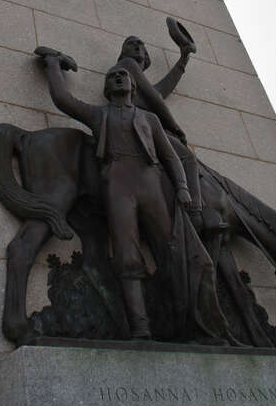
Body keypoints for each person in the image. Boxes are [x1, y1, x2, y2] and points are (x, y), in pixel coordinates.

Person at [39, 51, 190, 339]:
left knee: (171, 249)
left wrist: (182, 187)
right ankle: (141, 326)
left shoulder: (149, 119)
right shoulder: (100, 114)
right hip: (118, 183)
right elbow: (63, 100)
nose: (119, 77)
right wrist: (53, 64)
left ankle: (186, 321)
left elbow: (170, 157)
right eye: (113, 77)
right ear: (107, 89)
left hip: (150, 181)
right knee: (126, 252)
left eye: (123, 75)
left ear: (133, 86)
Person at [115, 34, 203, 228]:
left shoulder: (134, 76)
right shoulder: (128, 64)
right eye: (131, 44)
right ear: (124, 52)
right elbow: (155, 98)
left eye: (141, 43)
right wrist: (175, 127)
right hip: (137, 125)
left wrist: (182, 61)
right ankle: (196, 213)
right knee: (188, 158)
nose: (137, 46)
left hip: (139, 124)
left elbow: (160, 91)